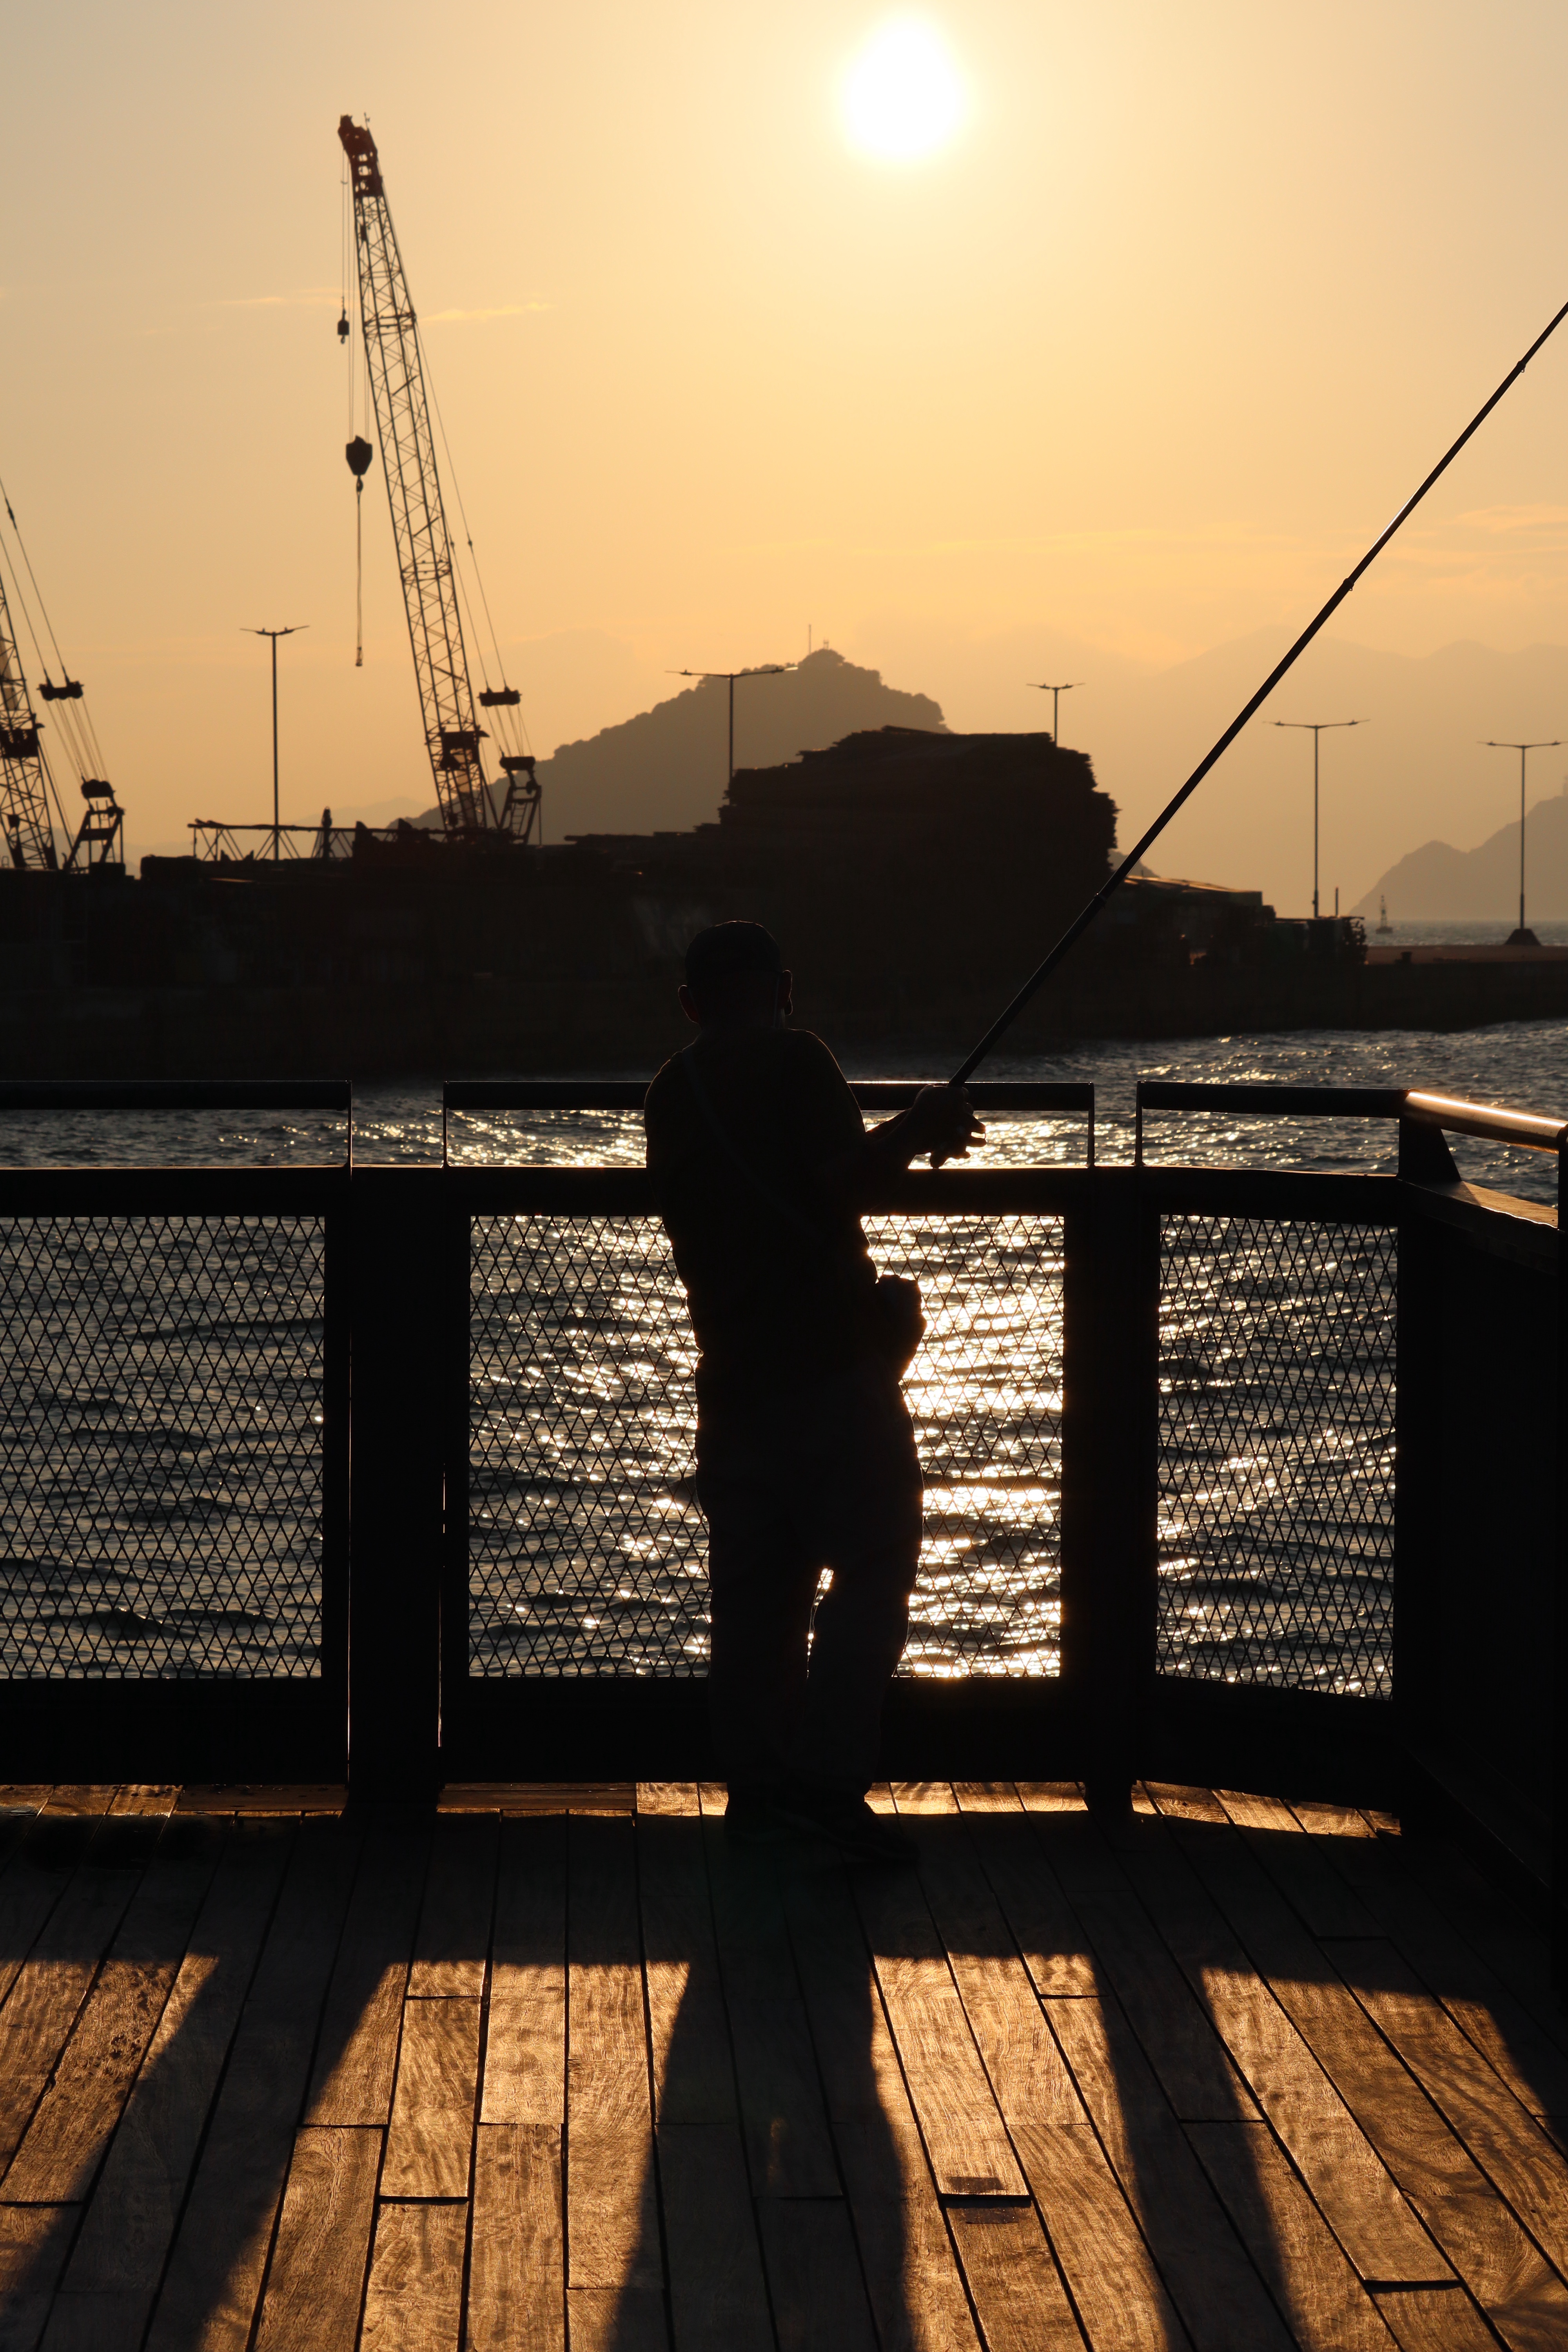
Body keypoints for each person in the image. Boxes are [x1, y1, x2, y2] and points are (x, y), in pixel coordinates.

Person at [644, 920, 982, 1860]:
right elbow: (843, 1185)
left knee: (754, 1596)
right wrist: (920, 1125)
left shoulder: (669, 1091)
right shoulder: (798, 1061)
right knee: (875, 1564)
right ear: (783, 990)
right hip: (828, 1366)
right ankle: (828, 1785)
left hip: (729, 1373)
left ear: (688, 1005)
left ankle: (755, 1792)